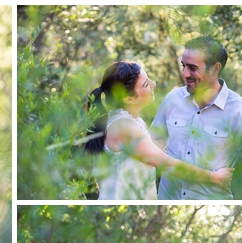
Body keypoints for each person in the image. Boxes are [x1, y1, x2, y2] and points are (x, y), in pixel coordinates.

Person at [85, 61, 233, 199]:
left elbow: (163, 149)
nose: (153, 84)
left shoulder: (134, 121)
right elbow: (167, 164)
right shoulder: (124, 128)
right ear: (129, 99)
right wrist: (214, 177)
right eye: (145, 84)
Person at [150, 36, 242, 200]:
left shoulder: (240, 112)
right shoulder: (172, 100)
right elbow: (152, 146)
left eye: (192, 68)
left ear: (215, 68)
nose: (185, 74)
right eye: (183, 66)